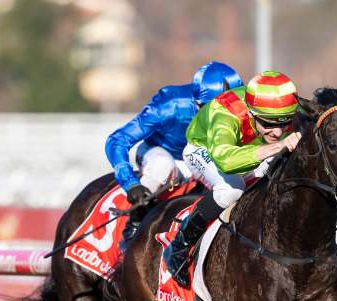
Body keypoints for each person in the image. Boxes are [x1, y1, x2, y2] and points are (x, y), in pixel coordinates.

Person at [163, 71, 302, 288]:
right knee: (233, 189)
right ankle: (180, 244)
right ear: (252, 113)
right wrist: (278, 146)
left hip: (247, 148)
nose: (277, 132)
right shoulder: (226, 112)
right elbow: (225, 161)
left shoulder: (283, 109)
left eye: (284, 124)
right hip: (205, 149)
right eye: (268, 124)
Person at [105, 61, 244, 244]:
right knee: (163, 166)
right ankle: (134, 227)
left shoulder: (245, 107)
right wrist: (130, 183)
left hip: (204, 158)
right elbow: (118, 140)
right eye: (211, 111)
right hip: (162, 153)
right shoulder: (170, 105)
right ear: (197, 103)